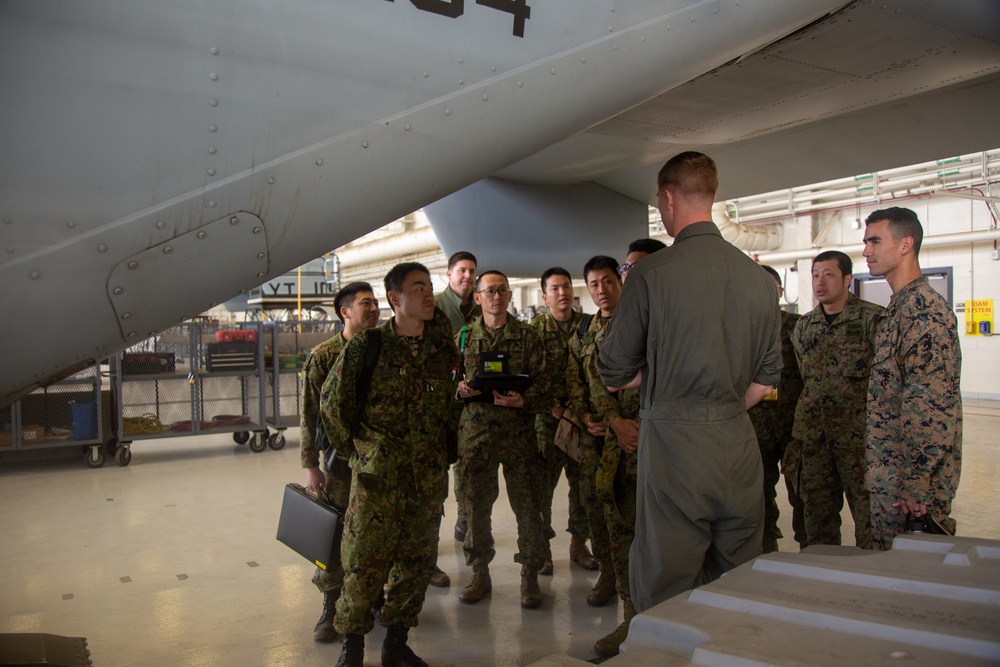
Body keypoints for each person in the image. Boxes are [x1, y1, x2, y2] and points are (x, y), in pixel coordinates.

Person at [597, 151, 782, 612]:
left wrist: (664, 379)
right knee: (738, 579)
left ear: (668, 197)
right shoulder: (759, 280)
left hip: (675, 447)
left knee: (666, 582)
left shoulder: (650, 275)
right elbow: (764, 381)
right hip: (738, 445)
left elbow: (614, 371)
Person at [320, 262, 460, 667]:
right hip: (378, 482)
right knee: (363, 565)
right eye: (419, 288)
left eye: (430, 287)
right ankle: (353, 648)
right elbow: (332, 405)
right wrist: (359, 452)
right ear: (395, 299)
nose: (429, 294)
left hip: (427, 480)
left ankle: (396, 643)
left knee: (415, 566)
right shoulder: (369, 346)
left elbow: (450, 404)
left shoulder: (441, 346)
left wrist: (443, 449)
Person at [862, 207, 962, 551]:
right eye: (865, 242)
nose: (866, 251)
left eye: (875, 241)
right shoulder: (898, 309)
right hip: (891, 479)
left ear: (906, 244)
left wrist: (917, 484)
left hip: (910, 489)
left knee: (914, 578)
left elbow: (931, 406)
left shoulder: (923, 311)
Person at [455, 270, 551, 609]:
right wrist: (460, 389)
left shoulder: (528, 336)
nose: (496, 296)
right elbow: (451, 382)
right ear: (477, 297)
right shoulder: (464, 337)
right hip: (476, 437)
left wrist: (525, 400)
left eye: (502, 290)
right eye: (489, 291)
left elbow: (546, 384)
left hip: (518, 435)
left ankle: (530, 573)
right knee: (475, 509)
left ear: (510, 296)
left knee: (528, 508)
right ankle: (479, 571)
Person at [589, 239, 663, 657]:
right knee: (623, 537)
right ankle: (632, 617)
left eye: (640, 267)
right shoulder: (608, 326)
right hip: (620, 453)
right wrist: (616, 423)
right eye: (627, 268)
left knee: (671, 539)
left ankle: (671, 617)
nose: (629, 275)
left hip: (666, 449)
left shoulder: (676, 318)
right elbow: (598, 380)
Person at [299, 282, 380, 643]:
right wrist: (310, 464)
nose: (374, 308)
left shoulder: (383, 349)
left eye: (376, 302)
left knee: (375, 530)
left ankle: (373, 597)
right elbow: (308, 414)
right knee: (334, 535)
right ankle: (331, 605)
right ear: (345, 311)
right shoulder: (325, 355)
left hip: (377, 462)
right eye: (366, 303)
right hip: (338, 463)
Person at [791, 251, 882, 550]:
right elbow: (806, 378)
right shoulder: (804, 326)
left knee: (871, 522)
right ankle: (821, 583)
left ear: (847, 280)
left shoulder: (873, 319)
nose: (820, 282)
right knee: (816, 520)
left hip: (860, 442)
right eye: (816, 275)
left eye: (828, 274)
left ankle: (872, 581)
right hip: (815, 440)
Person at [530, 267, 597, 576]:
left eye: (566, 287)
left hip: (581, 420)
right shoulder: (534, 331)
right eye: (555, 288)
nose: (562, 293)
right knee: (541, 489)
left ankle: (578, 543)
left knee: (583, 486)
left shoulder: (587, 327)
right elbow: (527, 378)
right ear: (545, 297)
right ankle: (542, 549)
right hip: (547, 423)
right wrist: (553, 407)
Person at [565, 256, 621, 611]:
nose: (601, 290)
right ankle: (608, 573)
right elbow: (574, 379)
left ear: (620, 281)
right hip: (591, 439)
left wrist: (614, 419)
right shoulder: (584, 331)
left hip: (626, 436)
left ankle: (632, 576)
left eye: (607, 281)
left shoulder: (637, 324)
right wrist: (586, 416)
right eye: (594, 284)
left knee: (625, 507)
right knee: (595, 506)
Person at [748, 266, 805, 553]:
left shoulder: (799, 327)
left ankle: (809, 550)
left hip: (794, 425)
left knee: (803, 489)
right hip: (756, 425)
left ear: (780, 292)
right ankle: (766, 548)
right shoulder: (742, 330)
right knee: (758, 492)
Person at [438, 251, 481, 543]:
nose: (467, 276)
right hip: (440, 403)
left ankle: (465, 518)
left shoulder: (482, 305)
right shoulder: (434, 306)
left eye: (471, 271)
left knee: (469, 465)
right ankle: (427, 538)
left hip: (474, 402)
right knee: (439, 467)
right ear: (449, 274)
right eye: (462, 270)